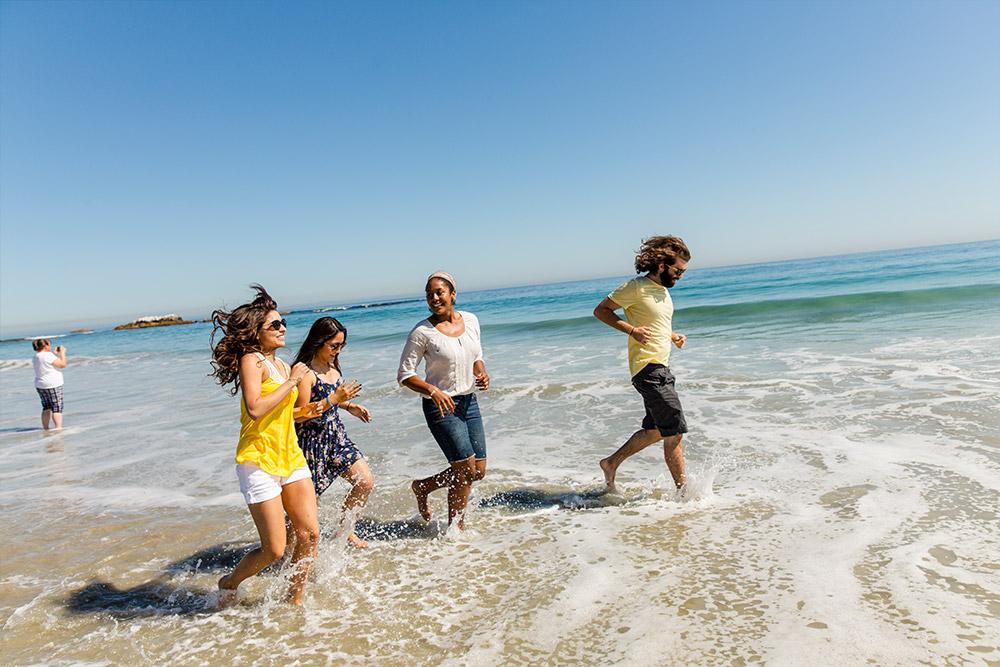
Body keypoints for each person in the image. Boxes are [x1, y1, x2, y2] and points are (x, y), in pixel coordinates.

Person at [209, 284, 320, 606]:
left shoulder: (284, 365)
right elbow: (256, 407)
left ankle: (292, 601)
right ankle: (229, 582)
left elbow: (293, 412)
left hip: (291, 456)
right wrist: (293, 381)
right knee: (274, 549)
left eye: (283, 323)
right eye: (275, 324)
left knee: (310, 534)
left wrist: (323, 402)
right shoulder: (252, 360)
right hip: (258, 459)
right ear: (257, 331)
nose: (283, 328)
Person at [594, 236, 692, 493]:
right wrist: (632, 330)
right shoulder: (636, 287)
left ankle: (611, 462)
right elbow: (601, 310)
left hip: (661, 367)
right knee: (674, 432)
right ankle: (685, 494)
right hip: (648, 369)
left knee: (656, 430)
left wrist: (672, 335)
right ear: (662, 266)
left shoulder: (663, 292)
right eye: (678, 270)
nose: (680, 276)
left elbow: (657, 323)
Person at [398, 272, 490, 529]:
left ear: (453, 294)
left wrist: (481, 372)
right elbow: (404, 375)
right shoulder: (422, 332)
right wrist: (433, 391)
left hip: (468, 403)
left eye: (439, 292)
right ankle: (455, 529)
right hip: (440, 407)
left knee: (478, 471)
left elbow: (476, 355)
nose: (434, 298)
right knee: (464, 471)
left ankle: (423, 486)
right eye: (429, 294)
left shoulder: (471, 320)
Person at [292, 317, 375, 549]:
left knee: (365, 481)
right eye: (334, 346)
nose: (338, 351)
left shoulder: (332, 367)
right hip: (312, 443)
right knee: (308, 508)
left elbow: (333, 401)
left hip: (336, 437)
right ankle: (287, 553)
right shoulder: (305, 373)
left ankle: (344, 531)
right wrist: (334, 400)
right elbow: (298, 414)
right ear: (319, 342)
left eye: (341, 346)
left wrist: (350, 407)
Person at [32, 339, 67, 431]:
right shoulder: (48, 355)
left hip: (40, 384)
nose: (50, 347)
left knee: (46, 407)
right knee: (57, 407)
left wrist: (55, 354)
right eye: (49, 345)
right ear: (46, 346)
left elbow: (46, 362)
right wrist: (62, 353)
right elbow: (62, 365)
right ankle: (58, 428)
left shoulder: (36, 356)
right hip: (52, 383)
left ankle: (46, 429)